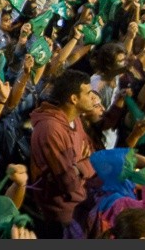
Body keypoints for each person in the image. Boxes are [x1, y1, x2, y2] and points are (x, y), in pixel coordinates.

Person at [29, 69, 98, 239]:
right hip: (62, 218)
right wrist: (84, 165)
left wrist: (79, 166)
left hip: (80, 205)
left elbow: (93, 154)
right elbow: (68, 182)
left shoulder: (75, 120)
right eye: (88, 93)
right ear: (74, 99)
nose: (93, 98)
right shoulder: (51, 129)